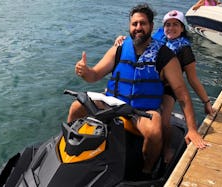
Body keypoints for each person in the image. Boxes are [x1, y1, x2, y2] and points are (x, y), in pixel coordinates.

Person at [68, 3, 207, 177]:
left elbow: (181, 93)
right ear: (129, 26)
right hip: (114, 101)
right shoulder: (119, 49)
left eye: (143, 23)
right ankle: (70, 148)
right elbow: (94, 75)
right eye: (134, 24)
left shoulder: (165, 55)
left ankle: (146, 170)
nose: (138, 28)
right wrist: (84, 71)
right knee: (76, 107)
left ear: (151, 26)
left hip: (141, 110)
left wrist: (192, 128)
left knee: (155, 131)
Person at [114, 10, 214, 162]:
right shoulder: (158, 40)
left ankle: (166, 148)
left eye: (176, 25)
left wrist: (206, 102)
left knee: (165, 120)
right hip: (150, 82)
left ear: (182, 28)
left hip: (169, 88)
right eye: (168, 25)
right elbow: (139, 40)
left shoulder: (184, 50)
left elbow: (193, 79)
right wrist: (122, 39)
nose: (171, 28)